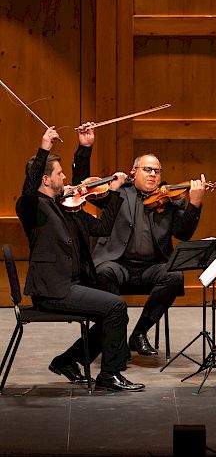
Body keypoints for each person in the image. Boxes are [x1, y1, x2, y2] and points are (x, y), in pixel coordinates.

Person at [16, 127, 144, 391]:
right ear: (45, 180)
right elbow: (29, 186)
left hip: (70, 285)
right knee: (116, 307)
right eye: (60, 174)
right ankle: (110, 375)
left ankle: (68, 361)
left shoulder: (66, 208)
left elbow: (102, 228)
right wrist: (44, 147)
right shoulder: (33, 208)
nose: (65, 178)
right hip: (52, 290)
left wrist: (114, 192)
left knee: (112, 313)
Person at [73, 126, 206, 356]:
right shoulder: (117, 192)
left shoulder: (170, 200)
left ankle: (139, 333)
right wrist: (85, 148)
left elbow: (183, 234)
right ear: (133, 172)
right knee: (104, 272)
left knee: (174, 276)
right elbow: (82, 186)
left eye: (157, 171)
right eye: (147, 169)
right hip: (118, 264)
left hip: (150, 268)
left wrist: (194, 204)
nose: (153, 174)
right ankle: (116, 340)